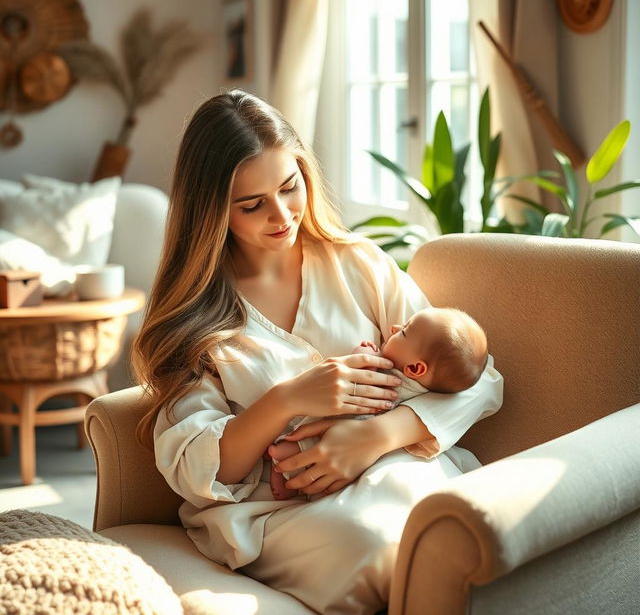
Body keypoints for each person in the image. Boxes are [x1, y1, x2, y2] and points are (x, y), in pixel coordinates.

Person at [132, 90, 503, 615]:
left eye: (290, 187)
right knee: (377, 543)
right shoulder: (194, 316)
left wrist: (377, 434)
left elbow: (478, 378)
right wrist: (286, 399)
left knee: (439, 528)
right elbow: (197, 468)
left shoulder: (359, 265)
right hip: (280, 513)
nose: (281, 215)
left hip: (393, 466)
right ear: (211, 210)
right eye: (251, 204)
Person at [268, 306, 489, 500]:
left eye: (403, 332)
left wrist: (363, 354)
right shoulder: (428, 388)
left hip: (350, 428)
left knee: (295, 449)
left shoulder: (386, 368)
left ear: (414, 368)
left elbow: (356, 368)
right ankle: (287, 479)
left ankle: (281, 474)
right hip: (361, 446)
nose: (393, 327)